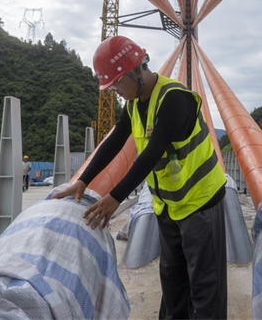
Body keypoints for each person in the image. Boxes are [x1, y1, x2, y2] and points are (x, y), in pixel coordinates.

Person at [52, 35, 228, 319]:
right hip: (169, 206)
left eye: (117, 84)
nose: (117, 92)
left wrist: (115, 198)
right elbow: (113, 142)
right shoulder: (133, 104)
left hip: (201, 203)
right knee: (173, 286)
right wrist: (83, 181)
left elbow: (151, 153)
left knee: (205, 288)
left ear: (136, 70)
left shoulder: (175, 98)